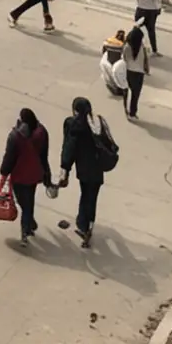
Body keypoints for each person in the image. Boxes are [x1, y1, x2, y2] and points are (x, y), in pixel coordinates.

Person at [58, 97, 116, 248]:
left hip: (84, 169)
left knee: (86, 195)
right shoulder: (98, 121)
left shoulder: (74, 125)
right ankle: (89, 223)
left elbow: (68, 150)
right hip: (98, 167)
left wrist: (64, 171)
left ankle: (84, 226)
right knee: (92, 197)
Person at [0, 107, 54, 245]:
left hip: (19, 175)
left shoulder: (15, 136)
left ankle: (26, 230)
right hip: (34, 173)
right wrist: (46, 172)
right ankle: (29, 224)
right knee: (29, 200)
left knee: (23, 202)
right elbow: (44, 155)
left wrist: (4, 172)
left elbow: (9, 157)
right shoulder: (41, 132)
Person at [119, 26, 149, 120]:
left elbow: (123, 58)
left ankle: (126, 110)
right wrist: (146, 69)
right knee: (135, 95)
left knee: (126, 93)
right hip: (139, 74)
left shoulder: (127, 46)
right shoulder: (141, 46)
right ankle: (133, 113)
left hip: (128, 72)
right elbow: (145, 59)